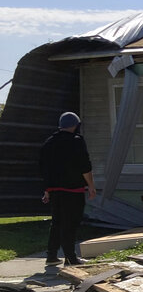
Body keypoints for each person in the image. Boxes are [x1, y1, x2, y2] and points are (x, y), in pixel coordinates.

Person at [40, 112, 97, 269]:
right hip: (72, 189)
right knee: (70, 222)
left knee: (57, 222)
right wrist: (91, 186)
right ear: (74, 125)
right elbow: (85, 165)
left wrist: (47, 190)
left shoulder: (49, 143)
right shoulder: (76, 141)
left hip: (54, 190)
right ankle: (70, 258)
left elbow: (44, 168)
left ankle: (52, 256)